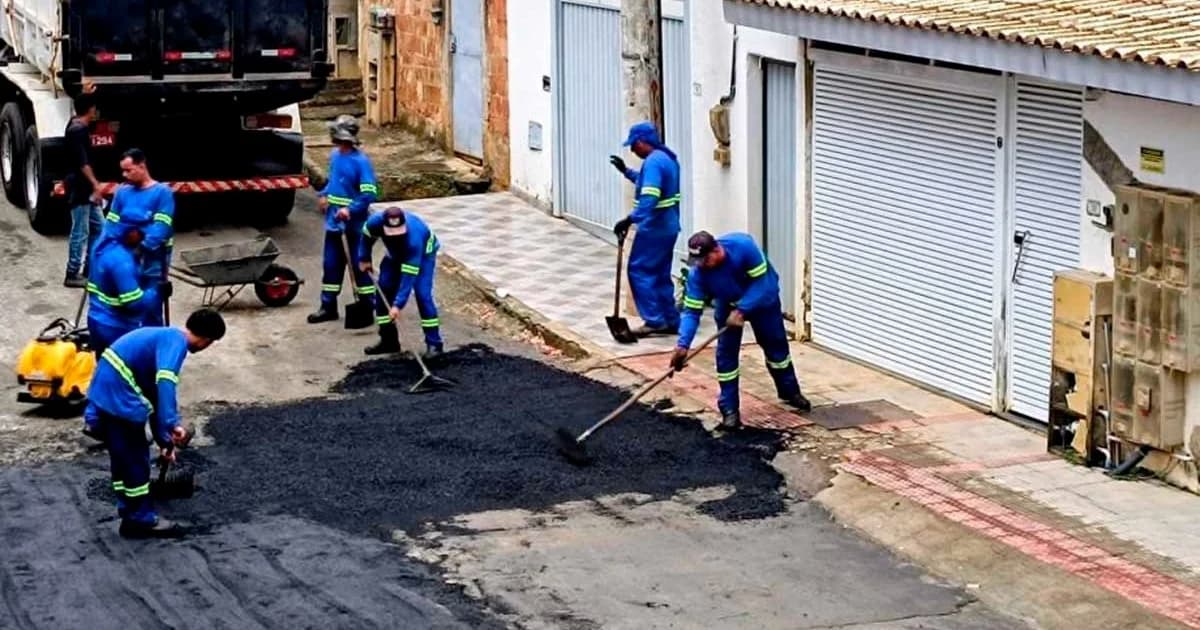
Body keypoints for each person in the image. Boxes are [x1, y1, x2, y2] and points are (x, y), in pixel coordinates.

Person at [85, 308, 225, 539]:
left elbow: (152, 394)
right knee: (135, 458)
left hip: (103, 394)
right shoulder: (175, 344)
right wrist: (173, 424)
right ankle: (140, 520)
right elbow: (165, 382)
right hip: (119, 397)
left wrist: (163, 439)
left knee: (121, 458)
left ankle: (127, 508)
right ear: (207, 340)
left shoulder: (161, 337)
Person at [670, 231, 811, 430]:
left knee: (776, 349)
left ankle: (789, 392)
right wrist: (683, 345)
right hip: (727, 305)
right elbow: (692, 311)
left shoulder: (743, 247)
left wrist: (743, 309)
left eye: (705, 259)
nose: (701, 264)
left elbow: (764, 283)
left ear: (717, 249)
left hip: (763, 301)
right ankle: (729, 410)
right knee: (726, 355)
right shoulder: (698, 274)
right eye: (698, 260)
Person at [608, 121, 682, 337]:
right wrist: (626, 171)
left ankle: (654, 320)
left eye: (633, 145)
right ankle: (670, 319)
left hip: (654, 228)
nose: (632, 150)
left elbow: (650, 196)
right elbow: (646, 181)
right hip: (669, 227)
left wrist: (630, 219)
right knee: (660, 274)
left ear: (642, 142)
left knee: (639, 270)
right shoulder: (667, 158)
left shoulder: (653, 162)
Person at [81, 216, 150, 443]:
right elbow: (132, 302)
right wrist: (154, 293)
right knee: (130, 375)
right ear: (128, 231)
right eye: (139, 230)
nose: (143, 235)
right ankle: (130, 425)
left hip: (97, 319)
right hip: (118, 327)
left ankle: (93, 419)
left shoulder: (101, 245)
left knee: (103, 370)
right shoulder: (121, 260)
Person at [309, 114, 379, 324]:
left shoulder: (361, 162)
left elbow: (369, 193)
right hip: (334, 224)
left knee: (360, 267)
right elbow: (333, 182)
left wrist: (350, 209)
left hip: (354, 226)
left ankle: (368, 305)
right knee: (331, 266)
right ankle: (328, 306)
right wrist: (323, 195)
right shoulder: (335, 156)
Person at [358, 206, 443, 359]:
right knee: (383, 289)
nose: (395, 236)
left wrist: (398, 305)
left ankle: (434, 344)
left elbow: (408, 278)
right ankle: (389, 340)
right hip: (394, 254)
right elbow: (366, 237)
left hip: (423, 255)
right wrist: (364, 258)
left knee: (423, 295)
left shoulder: (414, 239)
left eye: (399, 232)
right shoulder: (374, 222)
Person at [104, 149, 175, 325]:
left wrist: (141, 247)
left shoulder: (162, 193)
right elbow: (111, 223)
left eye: (129, 170)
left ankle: (152, 338)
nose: (124, 174)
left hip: (154, 259)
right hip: (126, 257)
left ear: (142, 166)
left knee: (151, 305)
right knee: (126, 302)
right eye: (123, 170)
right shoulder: (122, 192)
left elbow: (162, 227)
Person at [63, 93, 105, 288]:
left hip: (84, 188)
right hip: (80, 189)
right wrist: (95, 184)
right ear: (90, 109)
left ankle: (91, 267)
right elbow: (83, 163)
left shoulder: (75, 125)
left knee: (100, 228)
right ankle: (72, 272)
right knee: (80, 232)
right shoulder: (77, 130)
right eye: (94, 108)